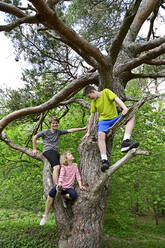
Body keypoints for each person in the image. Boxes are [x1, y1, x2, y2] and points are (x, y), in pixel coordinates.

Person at [83, 85, 139, 172]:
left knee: (132, 116)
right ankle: (104, 160)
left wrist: (125, 108)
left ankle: (126, 142)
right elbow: (92, 117)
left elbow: (117, 99)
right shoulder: (94, 102)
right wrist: (88, 131)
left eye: (89, 96)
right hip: (103, 122)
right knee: (101, 135)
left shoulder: (106, 92)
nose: (90, 98)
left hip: (114, 118)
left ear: (92, 91)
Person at [32, 116, 86, 185]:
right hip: (48, 151)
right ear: (50, 124)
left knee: (63, 167)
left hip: (55, 152)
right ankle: (56, 185)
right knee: (56, 167)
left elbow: (70, 130)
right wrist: (34, 149)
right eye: (53, 123)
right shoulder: (45, 132)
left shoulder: (58, 132)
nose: (55, 125)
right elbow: (34, 137)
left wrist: (82, 128)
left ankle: (64, 184)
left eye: (56, 123)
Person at [40, 151, 86, 226]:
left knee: (74, 195)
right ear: (66, 159)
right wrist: (60, 183)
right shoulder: (63, 167)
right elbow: (61, 175)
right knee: (51, 194)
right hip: (61, 186)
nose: (71, 155)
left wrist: (80, 185)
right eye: (69, 154)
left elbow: (78, 176)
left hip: (69, 188)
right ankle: (45, 215)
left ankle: (63, 196)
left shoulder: (75, 165)